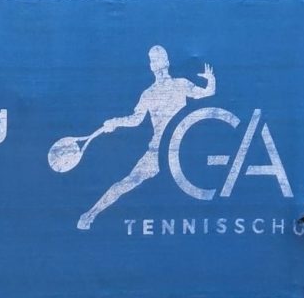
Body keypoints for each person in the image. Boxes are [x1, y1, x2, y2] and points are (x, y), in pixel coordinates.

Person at [76, 45, 216, 230]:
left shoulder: (181, 84)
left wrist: (211, 80)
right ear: (151, 66)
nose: (157, 63)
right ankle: (90, 215)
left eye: (160, 58)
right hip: (156, 153)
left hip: (180, 151)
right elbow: (135, 120)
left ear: (167, 61)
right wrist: (115, 122)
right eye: (153, 60)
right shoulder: (148, 94)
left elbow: (207, 93)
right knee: (127, 182)